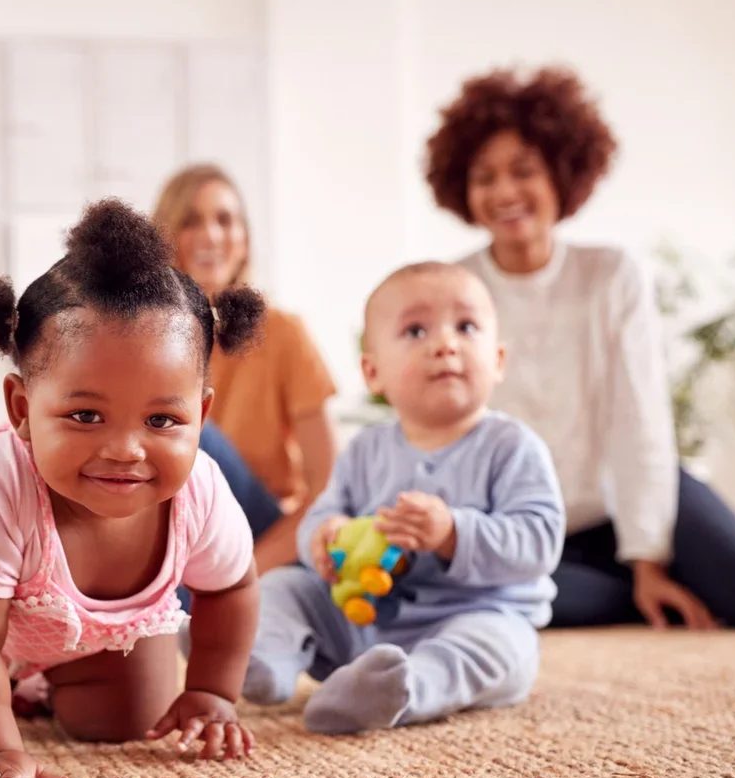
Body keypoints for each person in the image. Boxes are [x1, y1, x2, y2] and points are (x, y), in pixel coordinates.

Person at [425, 65, 735, 630]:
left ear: (563, 174)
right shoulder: (451, 288)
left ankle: (658, 576)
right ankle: (643, 588)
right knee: (517, 610)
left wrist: (648, 556)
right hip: (535, 526)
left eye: (523, 171)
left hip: (637, 495)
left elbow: (638, 417)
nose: (503, 193)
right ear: (461, 189)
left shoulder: (610, 274)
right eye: (484, 177)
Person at [0, 199, 266, 778]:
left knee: (125, 720)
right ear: (21, 409)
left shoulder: (200, 489)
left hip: (101, 637)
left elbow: (232, 588)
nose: (125, 449)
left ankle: (54, 681)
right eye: (85, 415)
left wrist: (210, 690)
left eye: (161, 419)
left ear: (200, 415)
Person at [231, 262, 564, 734]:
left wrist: (453, 532)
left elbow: (540, 540)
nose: (445, 343)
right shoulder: (366, 449)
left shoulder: (512, 446)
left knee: (500, 646)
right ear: (373, 372)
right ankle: (263, 660)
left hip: (473, 615)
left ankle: (404, 687)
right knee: (286, 588)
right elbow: (324, 511)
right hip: (359, 621)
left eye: (466, 327)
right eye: (415, 330)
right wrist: (324, 539)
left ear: (499, 359)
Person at [152, 165, 338, 572]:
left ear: (244, 239)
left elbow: (329, 488)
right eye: (190, 221)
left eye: (225, 220)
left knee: (193, 434)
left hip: (262, 533)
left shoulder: (283, 333)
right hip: (180, 537)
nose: (212, 235)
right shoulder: (144, 341)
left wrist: (246, 573)